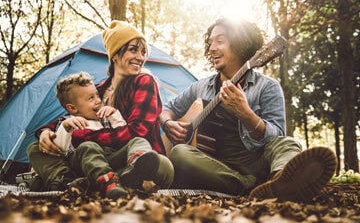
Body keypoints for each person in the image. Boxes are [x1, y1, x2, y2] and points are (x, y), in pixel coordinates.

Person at [160, 18, 337, 202]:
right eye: (210, 42)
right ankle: (256, 187)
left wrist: (246, 114)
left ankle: (282, 181)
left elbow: (276, 137)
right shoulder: (200, 87)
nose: (212, 48)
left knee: (288, 144)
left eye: (220, 41)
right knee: (179, 153)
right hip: (216, 167)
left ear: (240, 45)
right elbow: (166, 109)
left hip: (257, 164)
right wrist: (167, 123)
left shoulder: (267, 87)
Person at [27, 20, 174, 199]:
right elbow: (72, 115)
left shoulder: (143, 82)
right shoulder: (98, 90)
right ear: (115, 55)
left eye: (143, 52)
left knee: (158, 165)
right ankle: (75, 180)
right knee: (35, 148)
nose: (140, 57)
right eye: (133, 49)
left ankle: (92, 180)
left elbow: (138, 131)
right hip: (95, 157)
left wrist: (82, 136)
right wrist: (45, 132)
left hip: (137, 158)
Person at [53, 71, 127, 153]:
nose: (98, 101)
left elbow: (122, 135)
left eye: (97, 95)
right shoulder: (68, 123)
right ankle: (99, 166)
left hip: (109, 156)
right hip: (85, 160)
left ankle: (136, 159)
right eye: (91, 98)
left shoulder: (104, 119)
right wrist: (65, 128)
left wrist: (114, 114)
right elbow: (58, 148)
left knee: (138, 141)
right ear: (73, 108)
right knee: (88, 146)